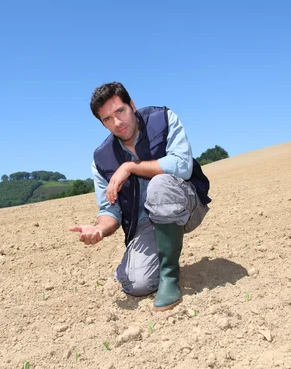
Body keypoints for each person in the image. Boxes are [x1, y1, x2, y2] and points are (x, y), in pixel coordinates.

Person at [69, 82, 211, 311]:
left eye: (120, 111)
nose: (116, 122)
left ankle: (170, 278)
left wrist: (131, 167)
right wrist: (100, 229)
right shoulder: (101, 159)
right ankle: (137, 263)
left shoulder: (163, 118)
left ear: (132, 105)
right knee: (137, 283)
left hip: (187, 202)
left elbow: (183, 165)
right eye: (107, 119)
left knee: (160, 183)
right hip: (147, 222)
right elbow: (110, 209)